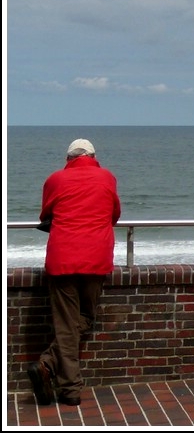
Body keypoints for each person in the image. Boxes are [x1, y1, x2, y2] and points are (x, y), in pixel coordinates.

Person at [27, 138, 121, 407]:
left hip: (63, 257)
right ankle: (68, 386)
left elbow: (46, 213)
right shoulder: (107, 178)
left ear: (68, 159)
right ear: (93, 156)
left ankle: (50, 367)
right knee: (86, 318)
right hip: (96, 256)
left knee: (66, 324)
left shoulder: (55, 179)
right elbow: (114, 214)